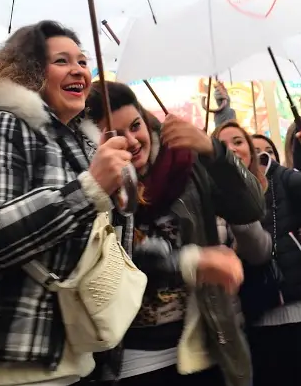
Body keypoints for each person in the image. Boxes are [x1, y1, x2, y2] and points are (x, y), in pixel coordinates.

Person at [0, 21, 130, 384]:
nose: (78, 70)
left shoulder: (80, 142)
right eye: (61, 61)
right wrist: (89, 189)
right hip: (7, 362)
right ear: (28, 71)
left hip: (74, 358)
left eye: (82, 61)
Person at [87, 81, 264, 386]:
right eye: (115, 135)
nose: (132, 141)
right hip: (132, 359)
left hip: (207, 344)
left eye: (135, 126)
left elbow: (251, 207)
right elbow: (111, 263)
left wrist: (214, 150)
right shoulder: (94, 187)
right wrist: (190, 261)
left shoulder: (185, 162)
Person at [213, 121, 301, 386]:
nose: (232, 149)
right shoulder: (214, 199)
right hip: (261, 321)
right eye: (223, 145)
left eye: (238, 141)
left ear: (249, 147)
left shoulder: (281, 178)